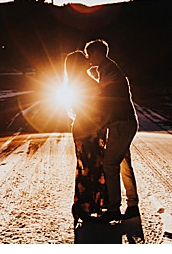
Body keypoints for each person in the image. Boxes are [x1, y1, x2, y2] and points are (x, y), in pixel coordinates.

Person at [84, 39, 140, 222]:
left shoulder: (107, 70)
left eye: (89, 54)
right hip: (126, 122)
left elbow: (105, 99)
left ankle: (114, 208)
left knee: (109, 164)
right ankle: (132, 205)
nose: (88, 58)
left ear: (98, 54)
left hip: (120, 123)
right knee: (123, 163)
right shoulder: (110, 69)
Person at [64, 50, 109, 225]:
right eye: (84, 61)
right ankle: (90, 205)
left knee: (86, 168)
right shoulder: (86, 82)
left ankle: (86, 206)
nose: (88, 62)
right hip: (89, 128)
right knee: (93, 167)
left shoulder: (75, 83)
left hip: (84, 128)